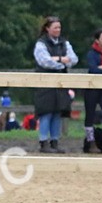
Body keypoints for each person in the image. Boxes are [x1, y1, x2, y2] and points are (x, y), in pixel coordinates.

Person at [32, 16, 78, 153]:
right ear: (47, 28)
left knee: (58, 111)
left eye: (59, 27)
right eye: (55, 27)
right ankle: (43, 142)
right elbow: (44, 61)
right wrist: (61, 60)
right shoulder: (41, 44)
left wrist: (57, 60)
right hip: (45, 82)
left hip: (61, 82)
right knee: (46, 112)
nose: (58, 30)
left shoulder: (64, 43)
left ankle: (55, 142)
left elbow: (73, 59)